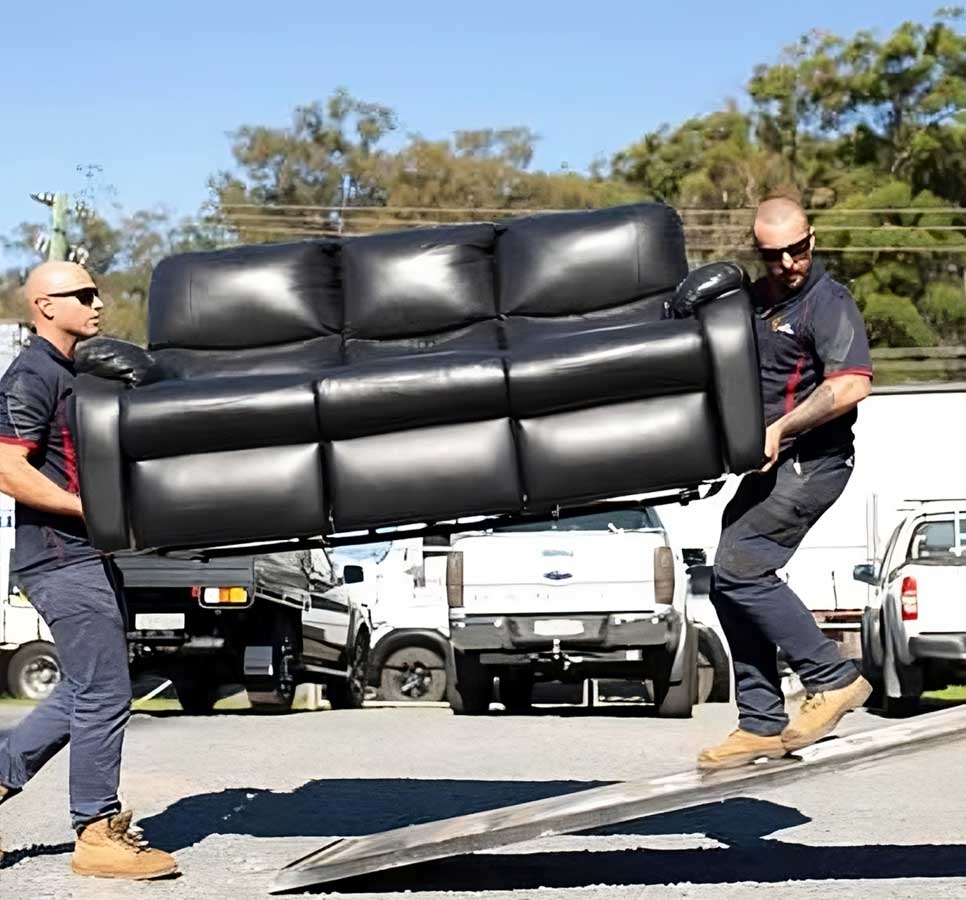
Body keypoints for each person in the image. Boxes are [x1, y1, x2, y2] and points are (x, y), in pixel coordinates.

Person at [0, 261, 178, 879]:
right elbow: (8, 469)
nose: (97, 303)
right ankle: (96, 833)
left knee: (83, 686)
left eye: (97, 291)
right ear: (45, 306)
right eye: (82, 294)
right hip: (58, 556)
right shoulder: (31, 374)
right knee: (105, 692)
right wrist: (91, 511)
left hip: (84, 554)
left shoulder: (74, 371)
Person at [698, 197, 873, 771]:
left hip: (814, 461)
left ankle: (833, 677)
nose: (787, 263)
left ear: (812, 241)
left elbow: (850, 385)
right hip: (769, 467)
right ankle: (761, 722)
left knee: (742, 565)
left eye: (796, 250)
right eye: (773, 255)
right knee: (727, 579)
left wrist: (780, 428)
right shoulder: (746, 305)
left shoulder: (827, 302)